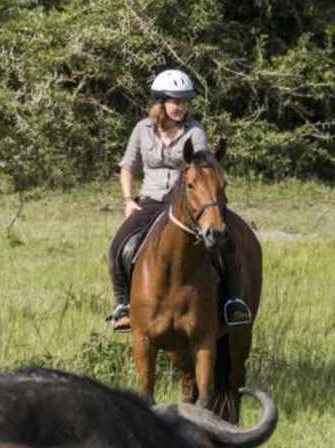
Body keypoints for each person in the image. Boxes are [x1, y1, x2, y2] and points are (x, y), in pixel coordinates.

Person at [106, 69, 252, 333]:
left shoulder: (195, 131)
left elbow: (203, 165)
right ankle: (122, 306)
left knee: (226, 243)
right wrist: (128, 199)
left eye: (185, 101)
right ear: (161, 102)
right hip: (149, 201)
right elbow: (128, 165)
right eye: (175, 101)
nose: (181, 107)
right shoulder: (142, 129)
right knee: (119, 245)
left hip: (187, 204)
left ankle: (233, 301)